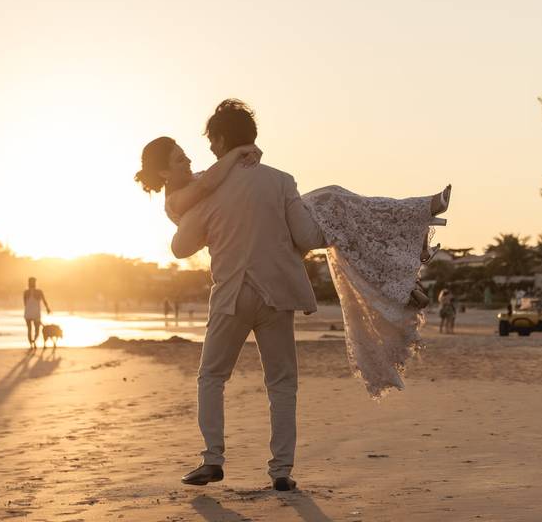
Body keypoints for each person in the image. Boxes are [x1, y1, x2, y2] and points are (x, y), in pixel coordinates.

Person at [136, 100, 450, 489]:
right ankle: (281, 471)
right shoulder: (281, 180)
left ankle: (213, 459)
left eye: (211, 142)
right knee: (282, 383)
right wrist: (321, 227)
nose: (208, 151)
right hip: (278, 294)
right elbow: (308, 238)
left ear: (220, 140)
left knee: (212, 376)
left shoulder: (207, 192)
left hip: (232, 294)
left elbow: (181, 248)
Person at [23, 277, 51, 349]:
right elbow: (44, 301)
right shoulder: (39, 292)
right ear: (35, 283)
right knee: (37, 330)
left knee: (29, 329)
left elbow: (25, 304)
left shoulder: (26, 292)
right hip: (36, 314)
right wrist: (47, 308)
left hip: (28, 313)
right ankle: (34, 341)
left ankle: (31, 344)